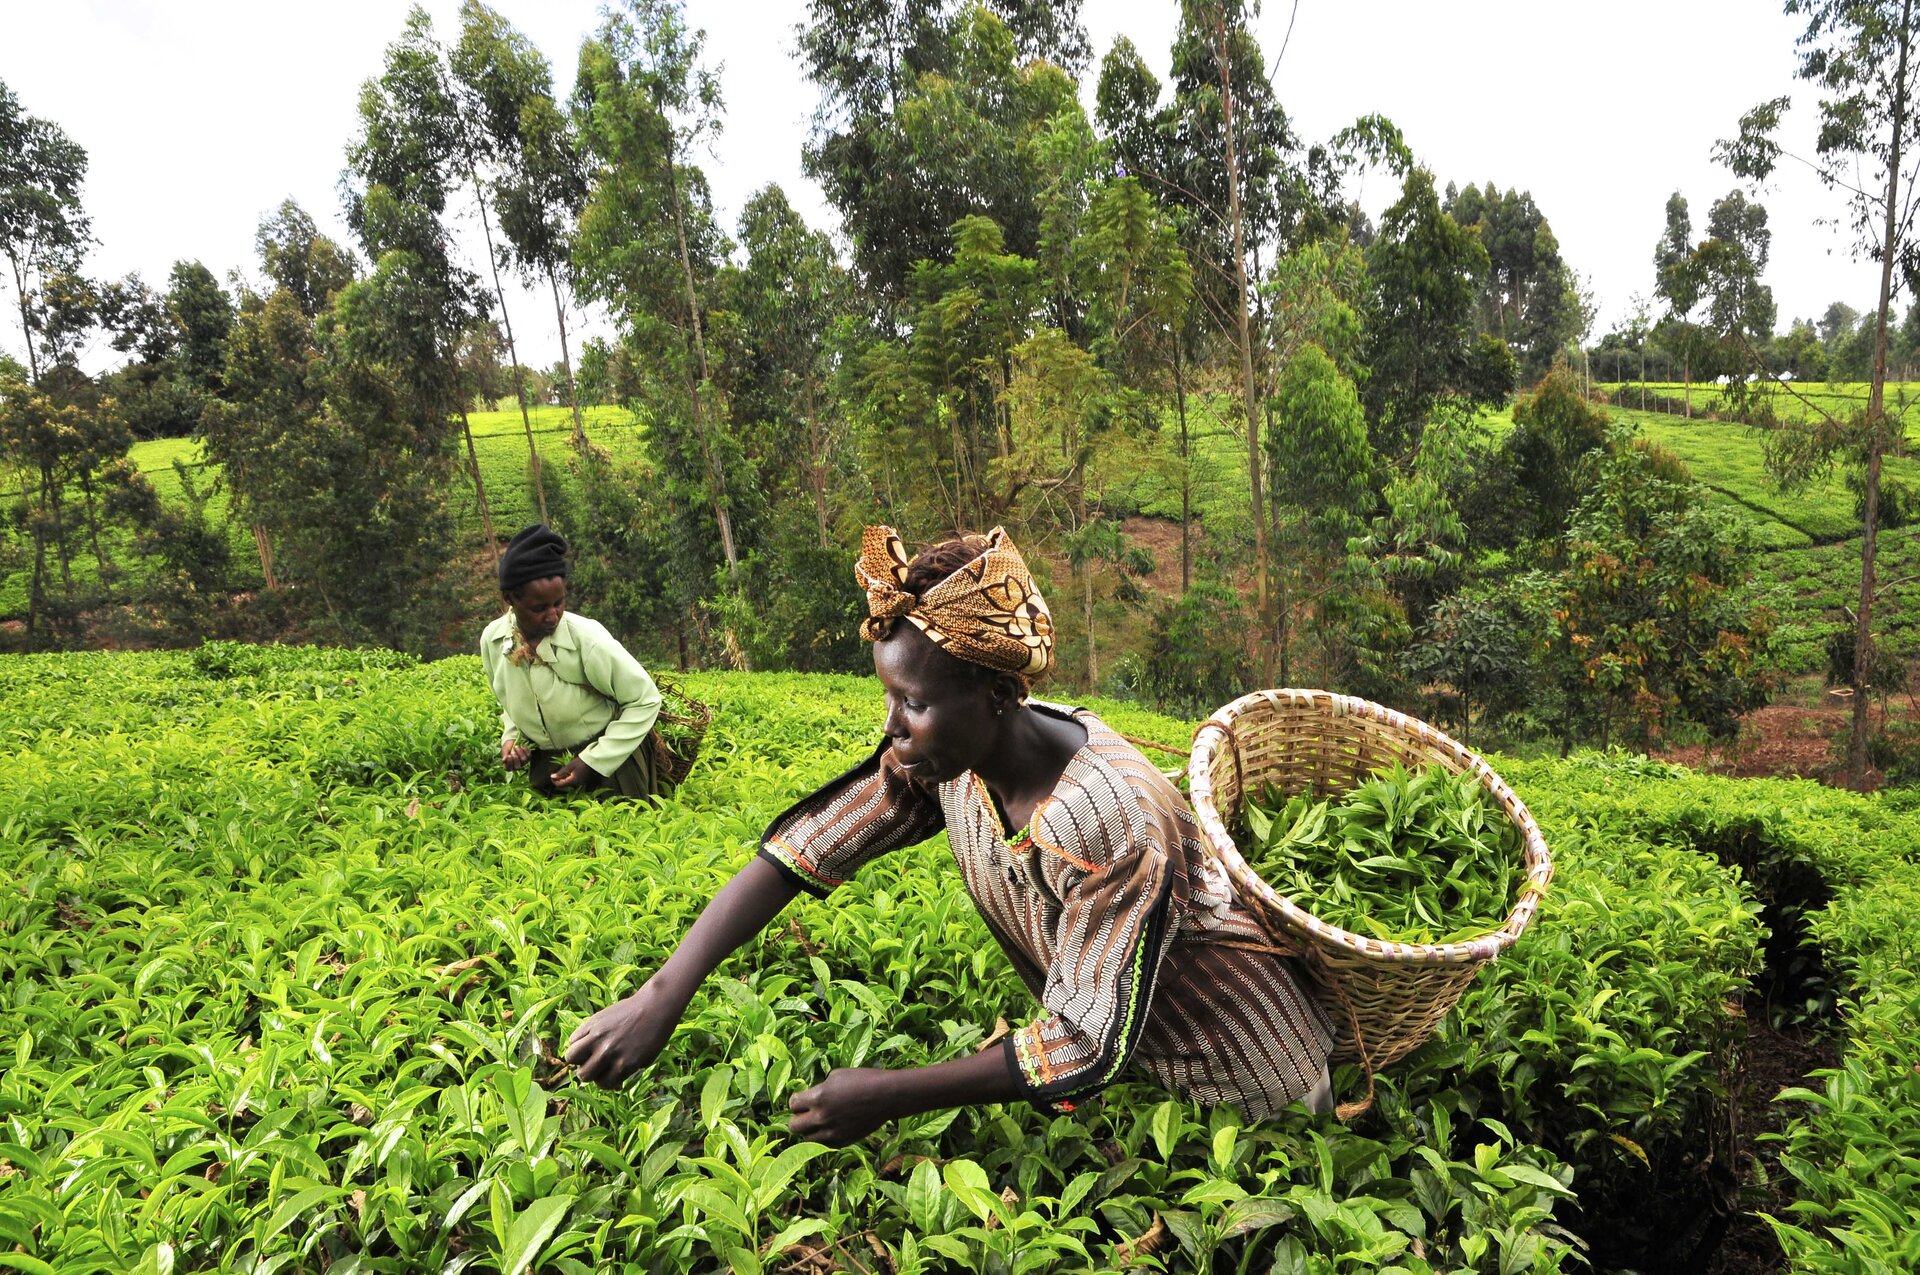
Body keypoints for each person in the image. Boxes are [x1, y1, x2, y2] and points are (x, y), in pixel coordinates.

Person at [565, 526, 1334, 1144]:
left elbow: (1081, 1044)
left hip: (1249, 1084)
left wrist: (886, 1094)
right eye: (890, 696)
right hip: (1141, 1070)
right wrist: (662, 993)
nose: (893, 727)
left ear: (996, 694)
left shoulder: (1110, 820)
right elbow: (815, 844)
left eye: (913, 702)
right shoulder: (949, 760)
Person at [481, 524, 669, 800]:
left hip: (612, 766)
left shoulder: (586, 638)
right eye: (539, 608)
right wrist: (512, 739)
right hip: (548, 767)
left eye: (559, 603)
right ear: (510, 599)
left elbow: (646, 699)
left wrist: (594, 760)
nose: (552, 615)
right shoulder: (494, 641)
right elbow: (509, 700)